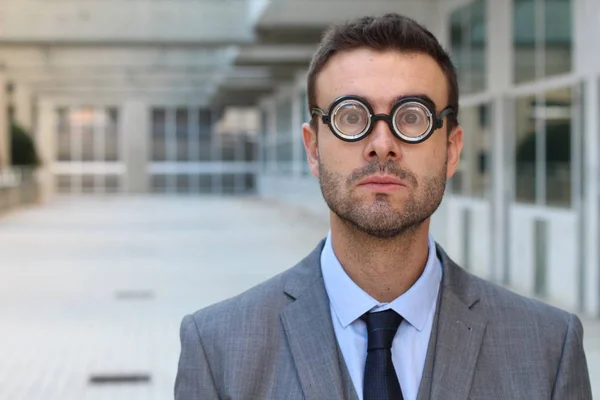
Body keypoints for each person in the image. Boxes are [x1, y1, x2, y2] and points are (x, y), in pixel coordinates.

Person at [174, 13, 592, 400]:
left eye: (412, 116)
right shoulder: (219, 350)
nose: (381, 145)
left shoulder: (548, 348)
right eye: (351, 116)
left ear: (451, 149)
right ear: (313, 148)